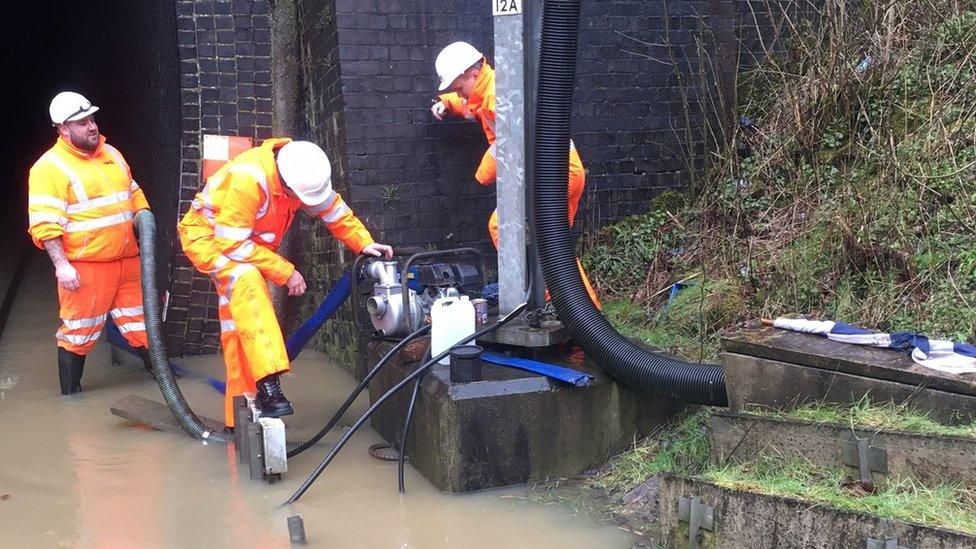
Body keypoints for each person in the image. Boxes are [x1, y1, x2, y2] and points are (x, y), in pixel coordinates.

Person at [179, 138, 393, 428]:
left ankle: (237, 420)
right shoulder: (249, 180)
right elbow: (230, 245)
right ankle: (268, 384)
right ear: (288, 186)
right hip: (210, 241)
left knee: (239, 329)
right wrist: (285, 271)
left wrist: (364, 244)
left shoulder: (299, 173)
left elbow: (334, 211)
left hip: (242, 244)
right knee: (247, 279)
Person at [430, 41, 601, 308]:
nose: (459, 95)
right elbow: (469, 107)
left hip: (557, 174)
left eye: (458, 88)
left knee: (503, 225)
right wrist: (446, 103)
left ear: (472, 73)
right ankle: (585, 312)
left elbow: (510, 142)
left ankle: (550, 302)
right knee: (553, 247)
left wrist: (483, 173)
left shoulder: (497, 95)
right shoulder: (484, 90)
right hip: (561, 170)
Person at [27, 91, 153, 395]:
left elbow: (132, 190)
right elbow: (45, 223)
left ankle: (165, 383)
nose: (91, 126)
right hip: (87, 269)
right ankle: (71, 398)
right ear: (62, 128)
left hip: (128, 262)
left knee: (146, 330)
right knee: (78, 333)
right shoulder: (49, 168)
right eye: (82, 122)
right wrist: (62, 266)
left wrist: (144, 213)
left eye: (92, 119)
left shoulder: (112, 153)